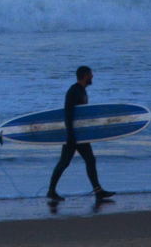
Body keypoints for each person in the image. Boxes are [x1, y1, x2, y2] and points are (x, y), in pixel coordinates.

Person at [47, 65, 114, 202]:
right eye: (91, 74)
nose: (92, 76)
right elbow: (68, 113)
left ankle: (98, 191)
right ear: (84, 75)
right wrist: (71, 135)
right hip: (73, 135)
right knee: (65, 162)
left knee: (88, 160)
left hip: (80, 135)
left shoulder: (82, 90)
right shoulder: (74, 91)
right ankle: (51, 191)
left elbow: (81, 117)